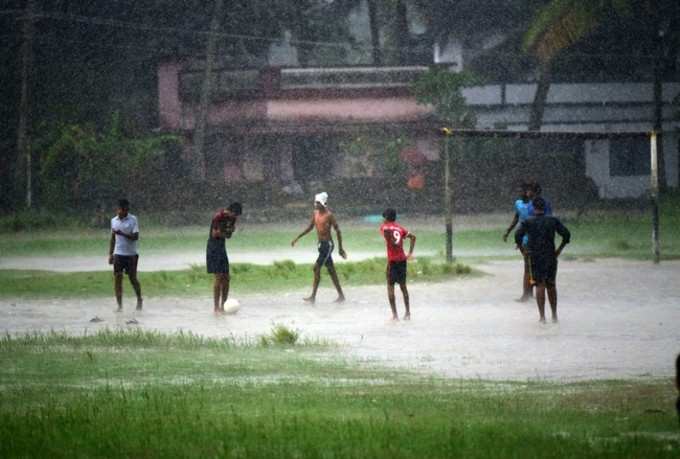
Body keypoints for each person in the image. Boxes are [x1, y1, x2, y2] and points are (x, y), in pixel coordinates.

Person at [514, 197, 570, 323]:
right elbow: (566, 234)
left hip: (534, 256)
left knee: (540, 285)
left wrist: (523, 250)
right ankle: (555, 316)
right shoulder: (553, 221)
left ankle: (542, 317)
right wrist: (559, 250)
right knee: (551, 284)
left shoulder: (528, 222)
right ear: (544, 207)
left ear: (533, 208)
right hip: (550, 256)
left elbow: (517, 236)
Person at [291, 192, 346, 304]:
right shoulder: (315, 213)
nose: (315, 204)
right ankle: (341, 295)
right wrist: (298, 237)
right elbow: (310, 227)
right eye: (315, 202)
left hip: (328, 245)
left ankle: (313, 297)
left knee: (316, 268)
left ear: (322, 203)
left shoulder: (329, 215)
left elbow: (338, 231)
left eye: (317, 202)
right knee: (331, 271)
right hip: (320, 245)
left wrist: (340, 248)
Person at [380, 208, 416, 321]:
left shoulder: (384, 227)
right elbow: (413, 237)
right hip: (402, 260)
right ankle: (408, 313)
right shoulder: (400, 228)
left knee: (390, 287)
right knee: (403, 287)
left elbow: (387, 235)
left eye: (384, 217)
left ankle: (395, 316)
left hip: (392, 261)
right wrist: (410, 253)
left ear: (386, 218)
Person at [207, 202, 242, 313]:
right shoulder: (219, 217)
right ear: (230, 211)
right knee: (218, 277)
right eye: (235, 215)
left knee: (226, 277)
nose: (235, 218)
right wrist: (227, 231)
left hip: (222, 247)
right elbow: (214, 234)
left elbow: (228, 236)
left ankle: (224, 305)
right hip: (213, 247)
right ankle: (216, 307)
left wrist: (228, 232)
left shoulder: (233, 219)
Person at [108, 199, 142, 311]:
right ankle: (119, 305)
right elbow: (113, 238)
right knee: (118, 278)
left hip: (131, 255)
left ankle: (139, 299)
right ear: (118, 209)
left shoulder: (133, 219)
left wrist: (122, 234)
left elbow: (135, 237)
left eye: (127, 210)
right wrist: (110, 254)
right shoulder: (113, 221)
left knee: (133, 278)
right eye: (123, 210)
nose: (125, 212)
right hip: (118, 254)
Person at [503, 181, 533, 302]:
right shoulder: (518, 203)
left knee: (528, 265)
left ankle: (527, 294)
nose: (519, 193)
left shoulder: (533, 204)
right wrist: (508, 231)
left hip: (533, 236)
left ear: (527, 192)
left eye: (521, 191)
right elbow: (516, 217)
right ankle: (529, 292)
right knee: (528, 264)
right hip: (522, 236)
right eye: (518, 191)